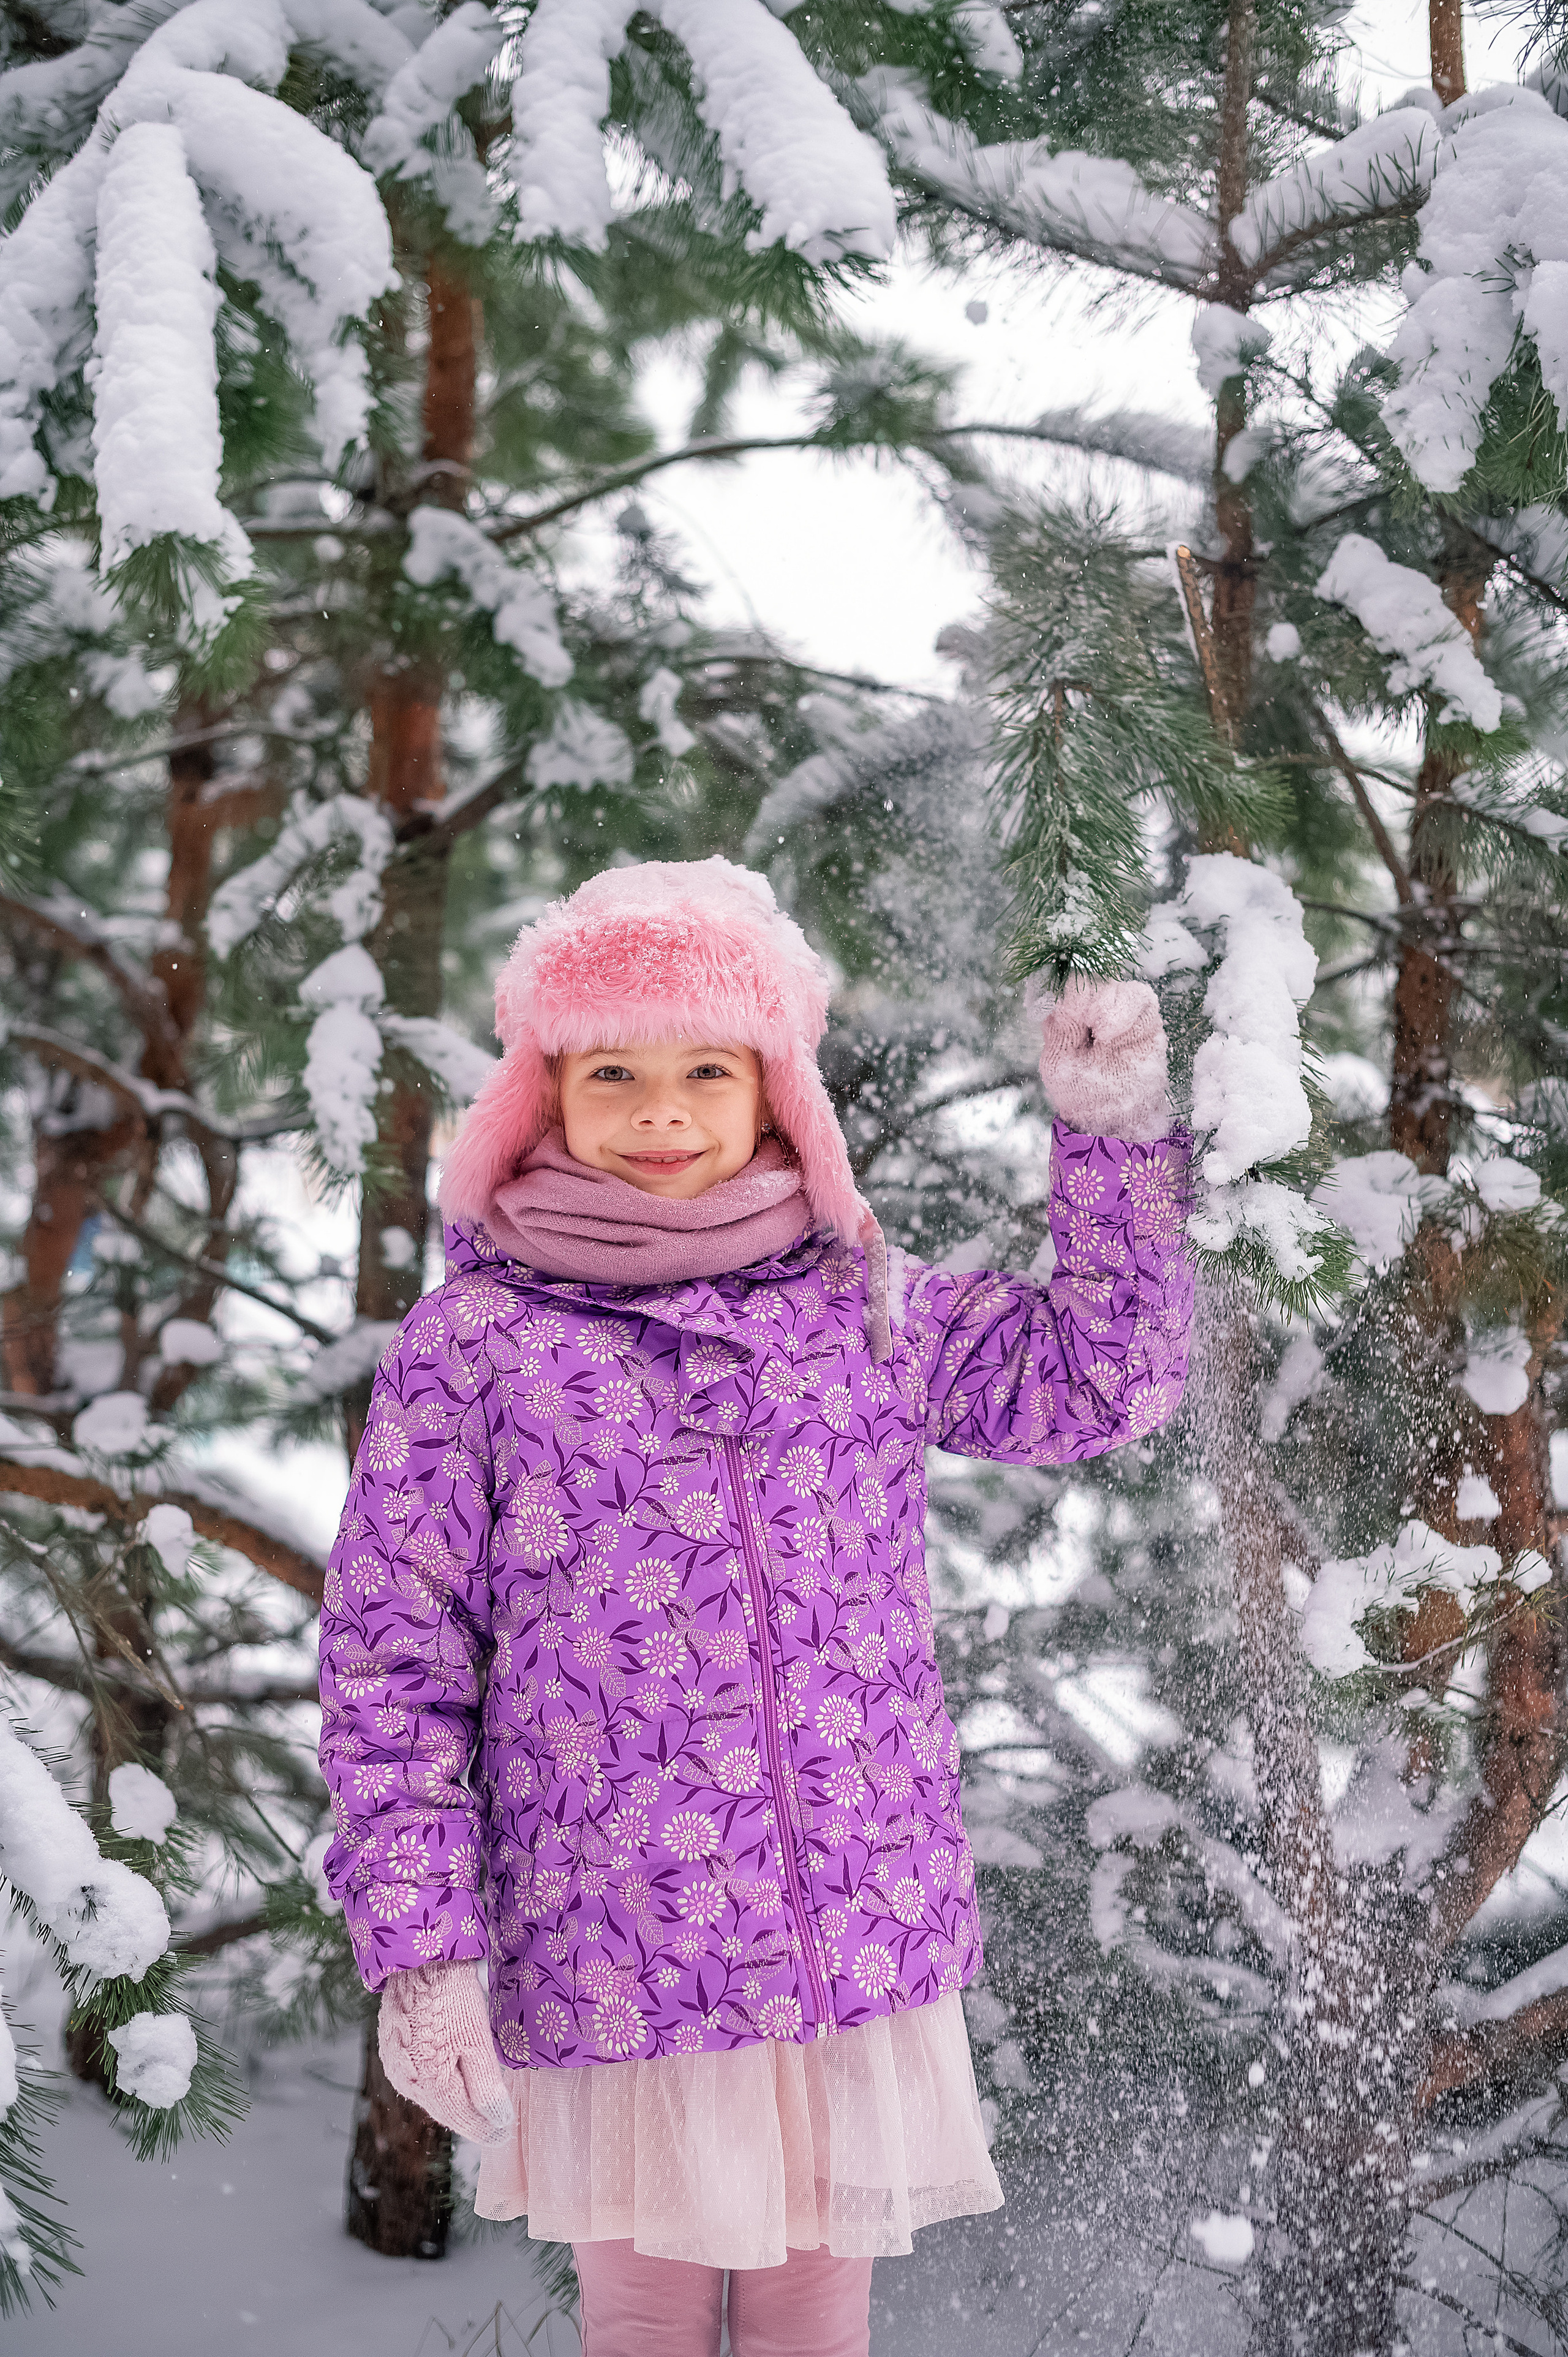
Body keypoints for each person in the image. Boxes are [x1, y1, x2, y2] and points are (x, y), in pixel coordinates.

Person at [318, 856, 1194, 2356]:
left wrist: (1109, 1138)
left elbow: (1101, 1377)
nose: (661, 1110)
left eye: (703, 1069)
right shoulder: (476, 1345)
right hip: (614, 1942)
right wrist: (422, 1946)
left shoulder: (864, 1304)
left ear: (773, 1088)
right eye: (615, 1070)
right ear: (545, 1095)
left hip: (837, 1940)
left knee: (810, 2320)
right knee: (642, 2321)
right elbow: (390, 1665)